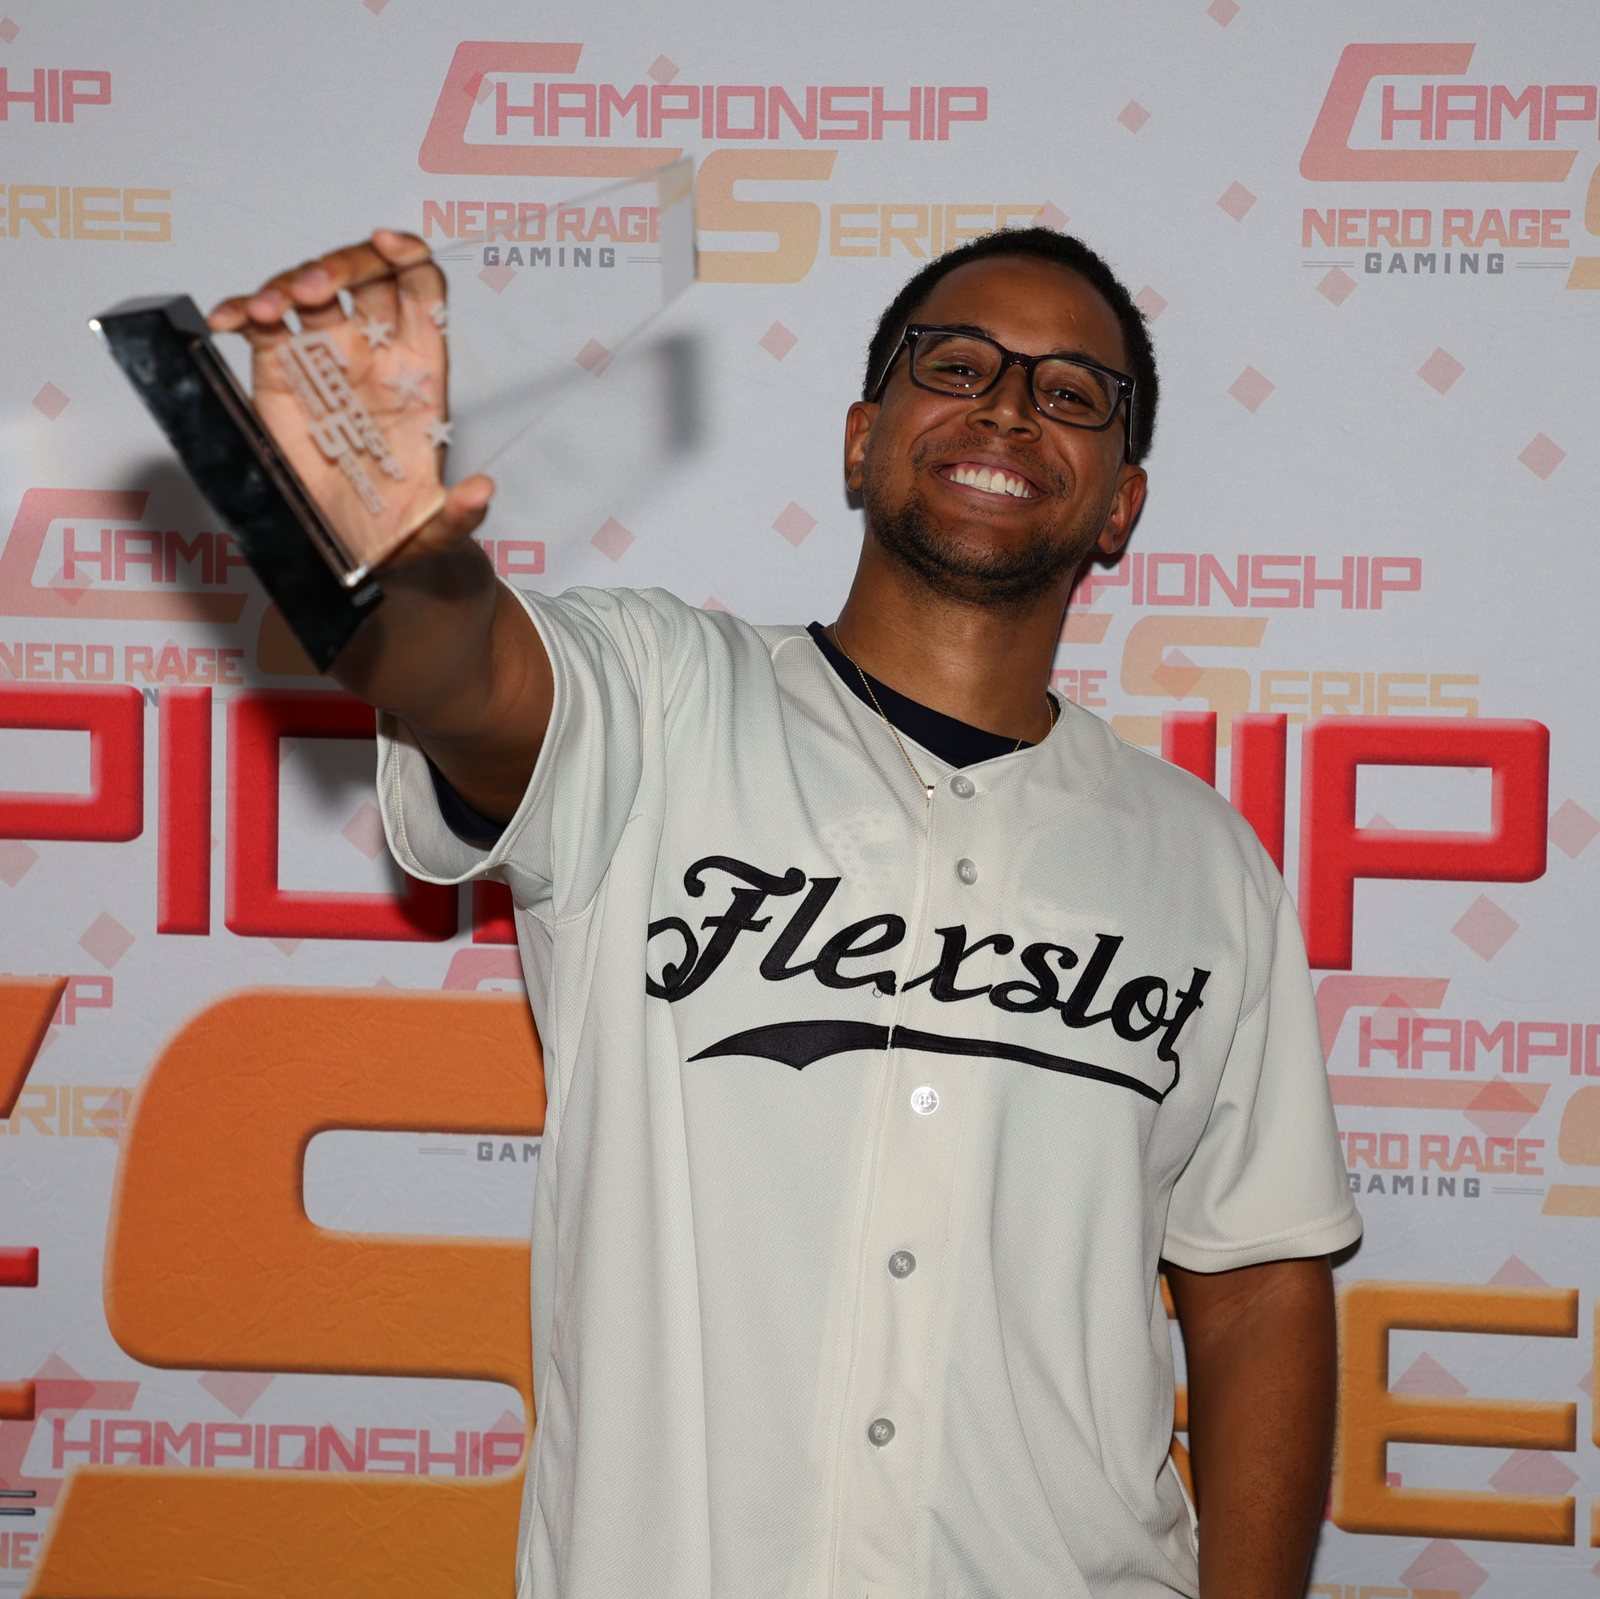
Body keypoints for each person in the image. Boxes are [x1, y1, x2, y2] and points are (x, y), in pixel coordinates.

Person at [210, 225, 1360, 1599]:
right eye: (957, 365)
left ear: (1121, 502)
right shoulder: (659, 700)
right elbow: (459, 670)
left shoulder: (1206, 861)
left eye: (1070, 392)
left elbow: (1257, 1288)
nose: (1007, 406)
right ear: (863, 441)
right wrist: (382, 545)